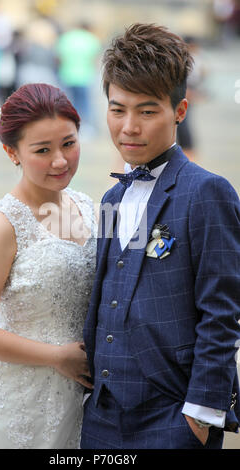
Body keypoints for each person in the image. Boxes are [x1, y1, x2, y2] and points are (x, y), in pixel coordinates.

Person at [81, 23, 240, 449]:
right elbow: (111, 288)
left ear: (180, 111)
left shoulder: (207, 191)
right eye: (118, 110)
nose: (129, 126)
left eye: (147, 111)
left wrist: (201, 415)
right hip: (101, 413)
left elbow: (222, 311)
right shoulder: (112, 196)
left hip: (173, 415)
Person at [0, 83, 97, 449]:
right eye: (42, 150)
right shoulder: (2, 224)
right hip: (17, 403)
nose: (60, 161)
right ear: (11, 152)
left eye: (68, 143)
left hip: (83, 404)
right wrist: (56, 357)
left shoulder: (89, 207)